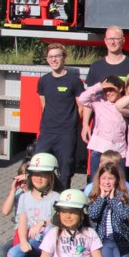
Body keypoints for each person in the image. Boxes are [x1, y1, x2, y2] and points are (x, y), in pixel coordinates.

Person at [33, 189, 129, 257]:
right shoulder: (54, 233)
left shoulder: (89, 232)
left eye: (73, 212)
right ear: (58, 213)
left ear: (82, 214)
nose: (67, 216)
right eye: (64, 212)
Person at [35, 43, 85, 189]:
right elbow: (44, 105)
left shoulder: (74, 81)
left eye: (57, 56)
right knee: (39, 166)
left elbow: (81, 107)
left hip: (66, 134)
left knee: (65, 171)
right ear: (47, 59)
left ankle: (63, 200)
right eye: (50, 57)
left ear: (64, 58)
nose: (54, 60)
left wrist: (72, 126)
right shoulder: (43, 81)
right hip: (47, 132)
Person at [83, 25, 129, 143]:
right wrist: (85, 124)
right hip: (103, 126)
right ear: (105, 41)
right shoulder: (96, 67)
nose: (112, 42)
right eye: (110, 39)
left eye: (116, 39)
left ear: (123, 40)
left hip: (126, 123)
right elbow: (89, 98)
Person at [7, 153, 60, 257]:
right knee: (12, 255)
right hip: (34, 242)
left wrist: (42, 223)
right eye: (35, 174)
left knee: (49, 230)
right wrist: (24, 241)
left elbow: (59, 221)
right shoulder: (24, 197)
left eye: (43, 175)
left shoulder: (57, 197)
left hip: (51, 242)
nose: (39, 178)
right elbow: (22, 223)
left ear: (51, 177)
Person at [79, 75, 127, 179]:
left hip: (119, 151)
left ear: (120, 88)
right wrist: (99, 86)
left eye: (111, 89)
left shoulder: (125, 103)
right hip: (99, 150)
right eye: (105, 90)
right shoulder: (99, 101)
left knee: (120, 181)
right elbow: (83, 99)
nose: (108, 93)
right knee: (95, 180)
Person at [87, 163, 129, 257]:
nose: (107, 182)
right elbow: (93, 214)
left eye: (111, 178)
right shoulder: (95, 197)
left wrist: (112, 199)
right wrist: (102, 197)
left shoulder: (122, 197)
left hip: (120, 242)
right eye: (104, 178)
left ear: (116, 180)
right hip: (103, 241)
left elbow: (124, 215)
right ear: (99, 179)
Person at [0, 161, 28, 257]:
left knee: (17, 256)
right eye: (22, 181)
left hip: (34, 233)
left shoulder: (38, 193)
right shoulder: (18, 192)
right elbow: (5, 211)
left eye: (27, 181)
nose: (24, 184)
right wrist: (13, 190)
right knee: (2, 255)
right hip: (19, 233)